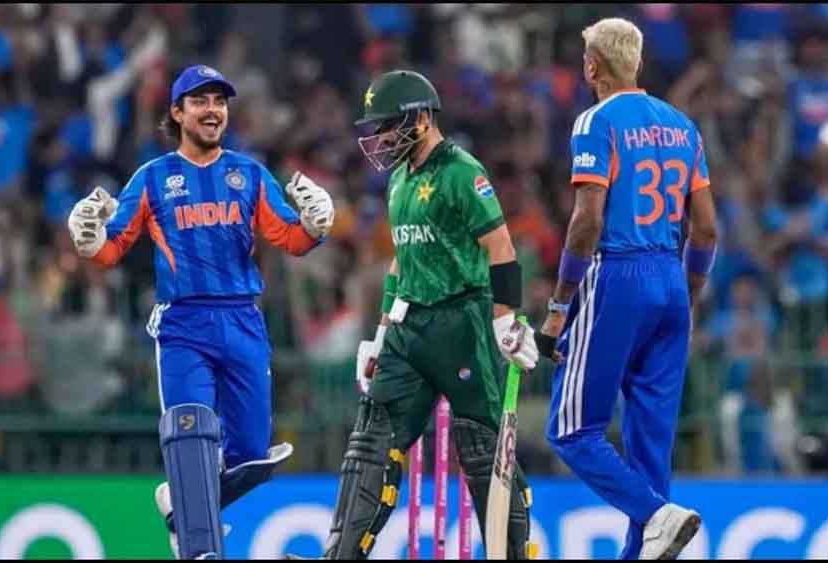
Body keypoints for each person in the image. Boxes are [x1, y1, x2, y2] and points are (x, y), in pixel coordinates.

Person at [67, 64, 335, 559]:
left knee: (251, 456)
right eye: (200, 101)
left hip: (243, 322)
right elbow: (111, 248)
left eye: (219, 101)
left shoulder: (249, 173)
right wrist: (88, 242)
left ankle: (181, 507)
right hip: (183, 325)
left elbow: (290, 239)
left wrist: (316, 226)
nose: (213, 111)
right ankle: (199, 549)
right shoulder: (152, 178)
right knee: (191, 435)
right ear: (177, 112)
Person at [295, 70, 540, 560]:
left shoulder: (461, 170)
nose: (382, 137)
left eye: (389, 125)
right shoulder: (399, 179)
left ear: (422, 118)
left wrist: (504, 319)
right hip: (409, 331)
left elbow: (501, 246)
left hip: (462, 322)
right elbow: (401, 261)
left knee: (483, 450)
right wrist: (381, 333)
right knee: (370, 443)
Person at [536, 19, 718, 559]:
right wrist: (689, 299)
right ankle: (648, 537)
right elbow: (706, 230)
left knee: (572, 431)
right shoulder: (683, 126)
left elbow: (587, 221)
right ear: (637, 62)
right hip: (671, 279)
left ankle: (656, 514)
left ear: (591, 66)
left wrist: (559, 306)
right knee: (650, 450)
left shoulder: (596, 121)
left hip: (618, 274)